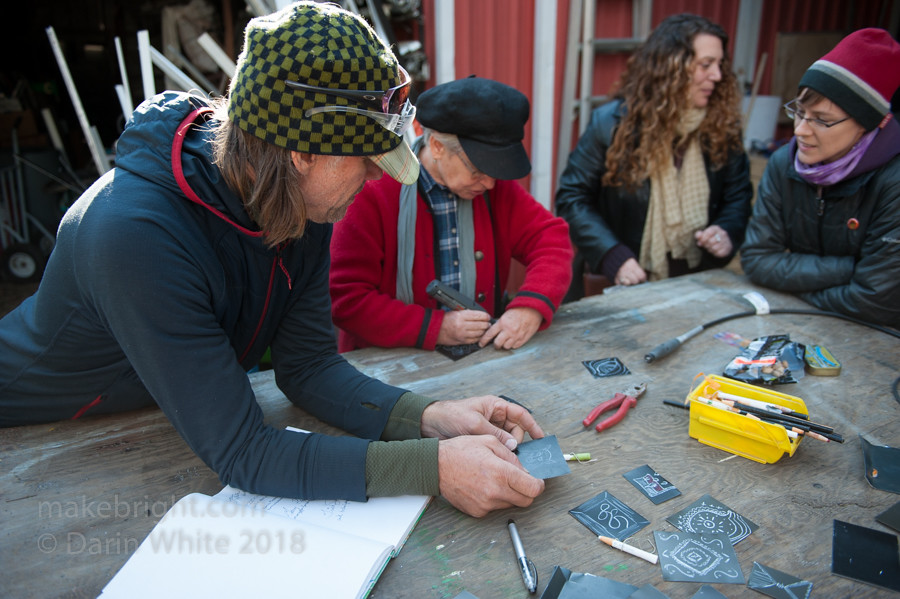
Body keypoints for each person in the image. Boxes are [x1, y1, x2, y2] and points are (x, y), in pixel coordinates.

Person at [0, 2, 546, 518]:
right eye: (366, 159)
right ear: (302, 152)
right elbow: (244, 453)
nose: (376, 177)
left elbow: (309, 367)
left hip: (145, 412)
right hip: (34, 426)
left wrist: (428, 417)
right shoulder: (134, 236)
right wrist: (432, 468)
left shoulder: (301, 201)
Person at [329, 77, 573, 353]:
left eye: (496, 171)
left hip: (477, 357)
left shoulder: (493, 188)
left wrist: (530, 307)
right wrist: (438, 327)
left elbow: (551, 240)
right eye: (477, 169)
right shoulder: (373, 189)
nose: (490, 183)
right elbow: (346, 298)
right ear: (437, 146)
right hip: (382, 364)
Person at [555, 13, 753, 300]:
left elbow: (738, 197)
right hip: (626, 284)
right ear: (672, 66)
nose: (717, 76)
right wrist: (612, 254)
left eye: (719, 65)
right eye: (705, 65)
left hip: (696, 285)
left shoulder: (723, 127)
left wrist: (727, 231)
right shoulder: (611, 125)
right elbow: (572, 198)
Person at [741, 29, 900, 329]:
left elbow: (875, 301)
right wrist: (849, 269)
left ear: (868, 125)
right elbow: (757, 259)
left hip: (876, 340)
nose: (800, 130)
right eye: (800, 112)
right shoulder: (784, 163)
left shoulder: (892, 182)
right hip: (803, 327)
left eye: (822, 120)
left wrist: (792, 291)